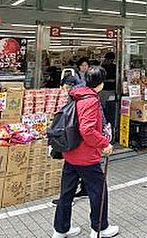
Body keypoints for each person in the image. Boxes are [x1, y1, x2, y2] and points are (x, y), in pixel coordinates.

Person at [53, 66, 119, 238]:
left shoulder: (76, 95)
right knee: (98, 191)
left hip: (71, 153)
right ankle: (100, 228)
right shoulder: (91, 100)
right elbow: (87, 130)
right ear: (101, 83)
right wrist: (104, 143)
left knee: (66, 193)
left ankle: (61, 229)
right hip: (86, 156)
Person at [52, 75, 88, 206]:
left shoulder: (76, 98)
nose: (63, 89)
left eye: (65, 87)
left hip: (75, 141)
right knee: (85, 171)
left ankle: (67, 200)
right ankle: (83, 191)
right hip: (81, 143)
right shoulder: (84, 96)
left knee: (73, 172)